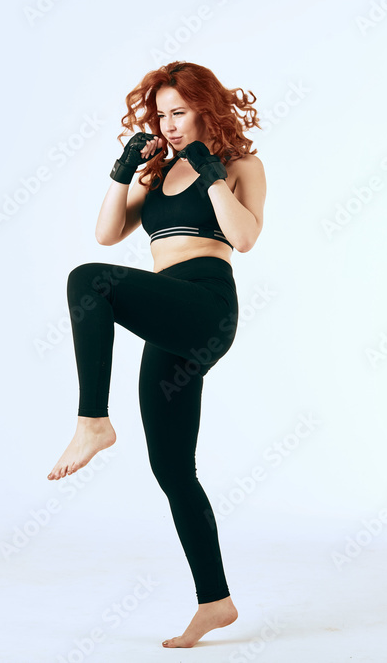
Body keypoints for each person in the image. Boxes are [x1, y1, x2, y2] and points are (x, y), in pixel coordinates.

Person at [46, 61, 266, 648]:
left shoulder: (241, 166)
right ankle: (215, 601)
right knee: (173, 468)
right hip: (169, 318)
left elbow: (244, 238)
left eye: (179, 112)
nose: (168, 124)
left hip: (206, 306)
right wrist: (123, 175)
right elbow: (107, 233)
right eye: (161, 113)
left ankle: (93, 421)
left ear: (205, 108)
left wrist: (213, 176)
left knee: (89, 280)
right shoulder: (157, 170)